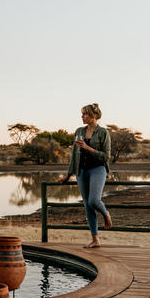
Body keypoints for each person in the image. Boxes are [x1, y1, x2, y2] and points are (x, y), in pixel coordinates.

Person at [59, 103, 113, 248]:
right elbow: (74, 156)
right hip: (81, 171)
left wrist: (88, 148)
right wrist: (68, 174)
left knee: (94, 201)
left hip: (98, 169)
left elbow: (106, 156)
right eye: (82, 114)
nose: (82, 116)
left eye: (85, 114)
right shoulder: (79, 131)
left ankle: (106, 214)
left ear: (94, 116)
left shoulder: (103, 133)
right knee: (87, 206)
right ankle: (95, 239)